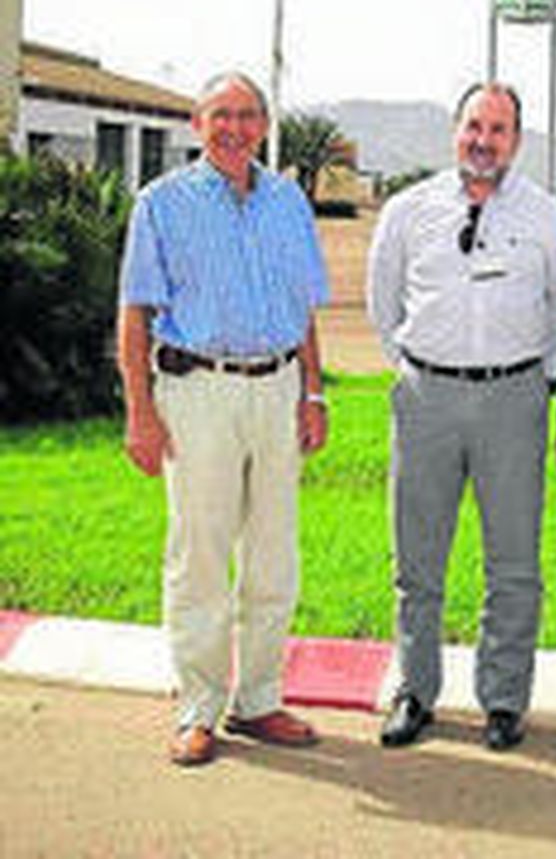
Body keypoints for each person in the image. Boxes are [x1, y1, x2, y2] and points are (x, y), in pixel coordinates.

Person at [118, 71, 331, 768]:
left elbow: (303, 306)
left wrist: (314, 393)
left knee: (275, 552)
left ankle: (260, 698)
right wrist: (140, 413)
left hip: (277, 388)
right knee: (199, 554)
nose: (234, 127)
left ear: (264, 125)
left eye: (247, 115)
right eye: (221, 115)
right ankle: (198, 706)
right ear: (196, 122)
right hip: (197, 390)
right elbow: (135, 312)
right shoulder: (162, 203)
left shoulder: (288, 201)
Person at [366, 83, 556, 752]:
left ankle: (504, 698)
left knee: (513, 561)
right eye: (474, 126)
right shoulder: (409, 210)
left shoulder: (544, 216)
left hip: (513, 399)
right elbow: (383, 303)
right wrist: (415, 366)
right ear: (456, 130)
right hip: (426, 395)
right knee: (417, 558)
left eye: (499, 128)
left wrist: (535, 381)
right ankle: (415, 690)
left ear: (517, 139)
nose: (484, 140)